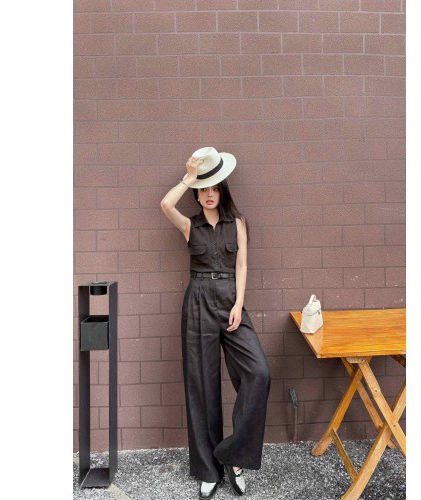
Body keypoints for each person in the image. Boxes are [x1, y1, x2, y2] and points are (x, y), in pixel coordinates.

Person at [160, 147, 271, 499]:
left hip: (230, 303)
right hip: (197, 304)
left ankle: (234, 456)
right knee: (202, 387)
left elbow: (242, 265)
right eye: (203, 189)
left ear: (223, 191)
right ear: (197, 193)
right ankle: (208, 470)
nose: (209, 195)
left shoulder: (236, 223)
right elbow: (165, 204)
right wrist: (188, 178)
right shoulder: (189, 225)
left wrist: (238, 303)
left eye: (215, 188)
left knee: (258, 372)